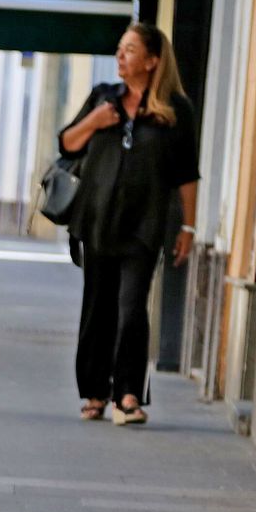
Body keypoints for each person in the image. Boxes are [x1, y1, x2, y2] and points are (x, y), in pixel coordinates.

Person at [59, 23, 199, 427]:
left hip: (146, 223)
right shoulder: (104, 98)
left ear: (152, 60)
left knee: (132, 309)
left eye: (130, 50)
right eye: (120, 49)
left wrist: (187, 228)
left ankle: (128, 393)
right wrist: (95, 121)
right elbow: (67, 143)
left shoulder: (175, 110)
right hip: (98, 218)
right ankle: (95, 391)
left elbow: (187, 174)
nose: (121, 56)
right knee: (97, 308)